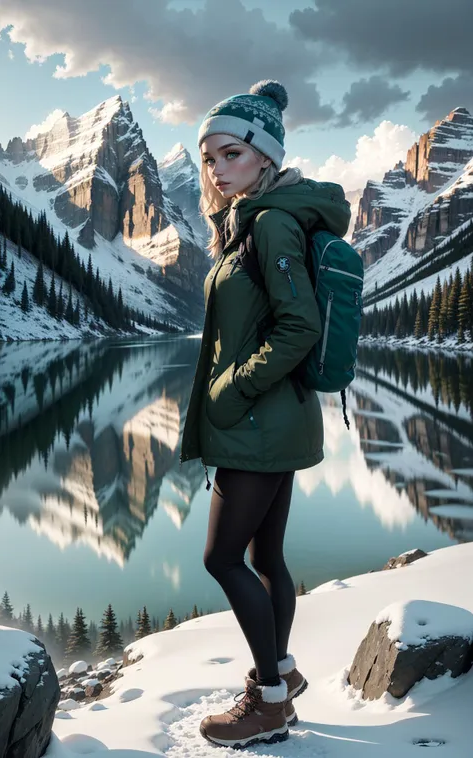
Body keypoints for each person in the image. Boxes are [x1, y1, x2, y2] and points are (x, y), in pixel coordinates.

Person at [179, 79, 350, 749]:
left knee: (222, 558)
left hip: (257, 422)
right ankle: (281, 672)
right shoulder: (258, 215)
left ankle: (269, 702)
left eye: (231, 156)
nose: (219, 172)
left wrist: (233, 389)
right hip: (280, 419)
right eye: (210, 160)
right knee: (266, 553)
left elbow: (299, 326)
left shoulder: (272, 220)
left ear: (264, 155)